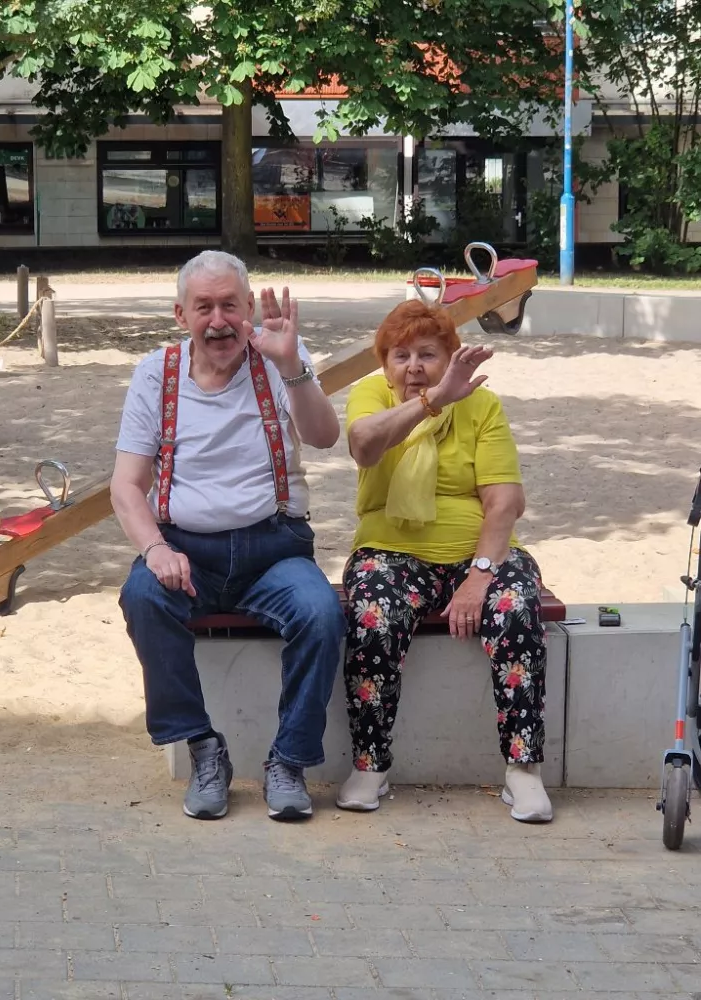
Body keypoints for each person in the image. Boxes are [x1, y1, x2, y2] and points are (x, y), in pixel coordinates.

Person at [111, 250, 345, 822]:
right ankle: (203, 747)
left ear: (249, 310)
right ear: (181, 315)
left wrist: (291, 365)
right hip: (186, 550)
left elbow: (323, 436)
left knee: (321, 613)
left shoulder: (279, 359)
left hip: (273, 548)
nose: (219, 322)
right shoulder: (156, 374)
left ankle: (289, 761)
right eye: (204, 308)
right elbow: (126, 486)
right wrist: (156, 549)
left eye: (230, 307)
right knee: (142, 596)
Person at [337, 299, 552, 823]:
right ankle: (370, 764)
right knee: (374, 616)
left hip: (479, 551)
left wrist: (479, 577)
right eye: (401, 356)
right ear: (385, 363)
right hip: (390, 550)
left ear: (451, 357)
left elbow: (505, 502)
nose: (413, 367)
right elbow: (364, 446)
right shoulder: (373, 395)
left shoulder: (483, 405)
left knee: (516, 608)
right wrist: (433, 400)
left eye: (428, 355)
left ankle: (523, 769)